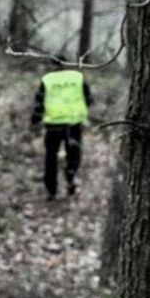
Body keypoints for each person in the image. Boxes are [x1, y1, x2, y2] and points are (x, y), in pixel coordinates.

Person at [30, 59, 92, 200]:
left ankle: (51, 190)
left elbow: (39, 103)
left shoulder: (47, 79)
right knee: (73, 154)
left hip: (53, 125)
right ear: (65, 64)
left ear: (52, 65)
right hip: (74, 124)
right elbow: (88, 99)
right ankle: (71, 179)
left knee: (50, 157)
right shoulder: (77, 77)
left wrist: (34, 121)